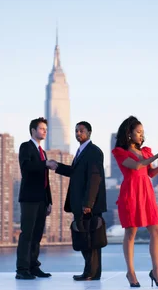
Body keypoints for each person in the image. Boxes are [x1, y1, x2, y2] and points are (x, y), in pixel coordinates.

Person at [112, 116, 158, 288]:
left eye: (142, 132)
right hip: (131, 193)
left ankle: (156, 272)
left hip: (147, 193)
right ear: (129, 134)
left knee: (157, 231)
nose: (141, 135)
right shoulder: (119, 151)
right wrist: (157, 156)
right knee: (130, 233)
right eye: (138, 132)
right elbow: (137, 166)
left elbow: (150, 173)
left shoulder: (146, 150)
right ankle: (130, 272)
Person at [48, 122, 107, 281]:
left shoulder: (93, 151)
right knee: (86, 239)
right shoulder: (81, 152)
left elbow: (95, 178)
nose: (78, 133)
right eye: (76, 131)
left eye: (81, 131)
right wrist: (57, 166)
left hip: (88, 205)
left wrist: (88, 204)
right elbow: (76, 173)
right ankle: (93, 273)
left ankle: (90, 273)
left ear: (89, 132)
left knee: (90, 240)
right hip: (80, 204)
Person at [15, 117, 53, 280]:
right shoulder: (26, 147)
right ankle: (22, 269)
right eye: (42, 128)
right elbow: (26, 167)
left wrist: (49, 200)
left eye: (45, 129)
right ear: (33, 130)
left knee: (37, 234)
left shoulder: (42, 152)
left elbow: (45, 179)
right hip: (29, 198)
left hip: (41, 199)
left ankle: (33, 266)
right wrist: (45, 164)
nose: (45, 131)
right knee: (27, 234)